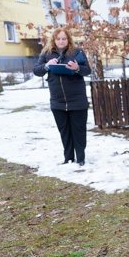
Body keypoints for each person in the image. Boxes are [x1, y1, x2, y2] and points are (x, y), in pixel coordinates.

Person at [32, 28, 91, 166]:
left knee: (79, 131)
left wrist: (77, 68)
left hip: (77, 100)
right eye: (58, 39)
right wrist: (47, 66)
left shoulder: (77, 52)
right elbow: (36, 71)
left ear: (68, 39)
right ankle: (68, 159)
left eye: (64, 38)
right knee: (64, 131)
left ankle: (81, 159)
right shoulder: (46, 54)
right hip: (57, 101)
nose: (61, 41)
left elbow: (87, 70)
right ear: (54, 39)